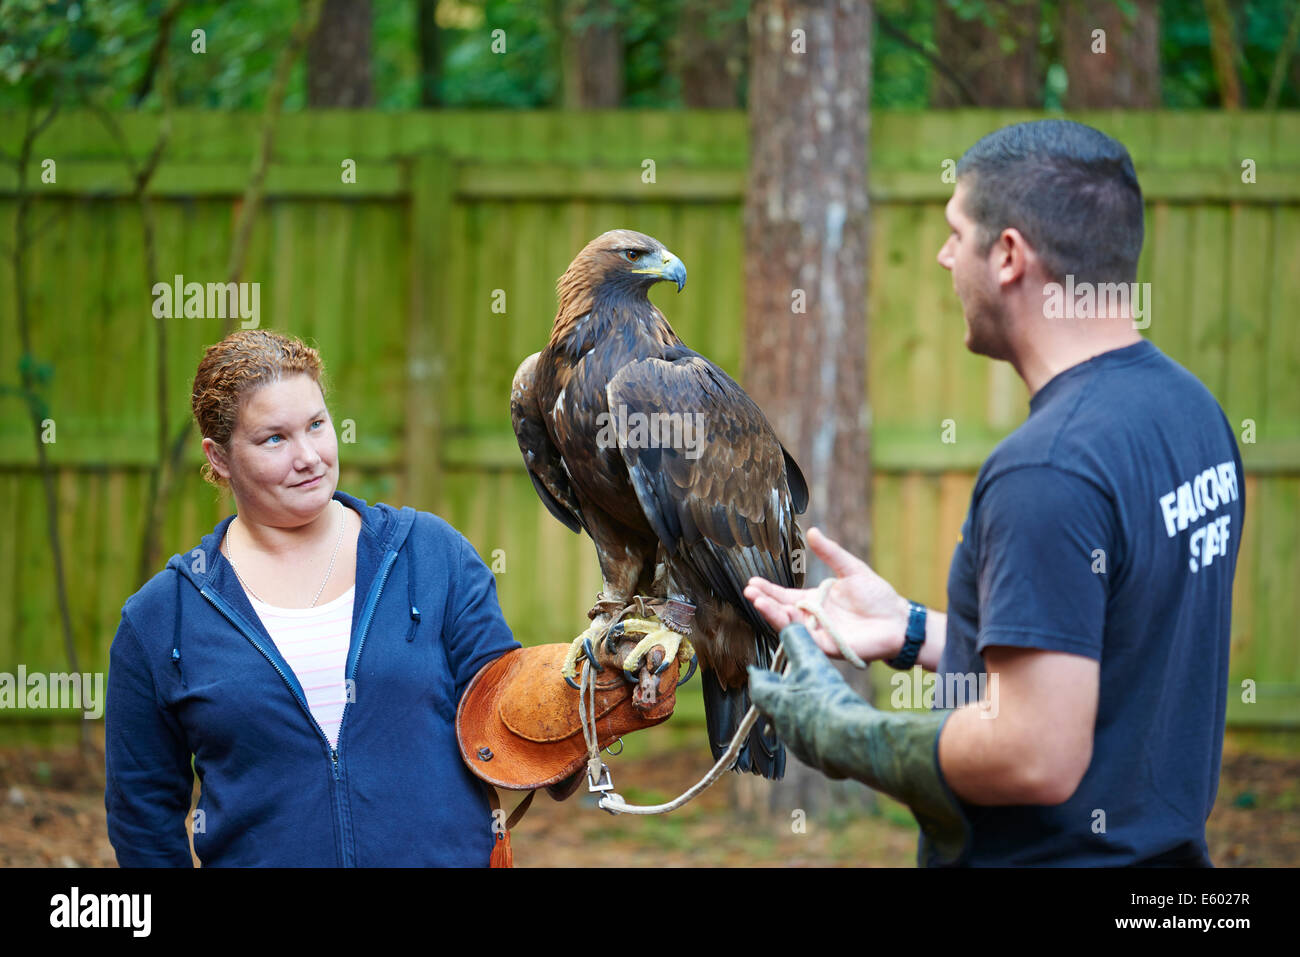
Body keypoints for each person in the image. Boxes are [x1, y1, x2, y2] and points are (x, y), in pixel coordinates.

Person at [744, 119, 1244, 867]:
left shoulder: (1048, 469)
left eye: (956, 232)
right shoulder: (1190, 411)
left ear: (1008, 254)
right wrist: (913, 631)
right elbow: (1105, 649)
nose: (945, 255)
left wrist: (840, 728)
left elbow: (1035, 752)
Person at [105, 330, 519, 866]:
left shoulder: (430, 556)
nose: (309, 457)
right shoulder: (162, 619)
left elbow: (508, 707)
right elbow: (142, 819)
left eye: (316, 426)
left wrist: (584, 687)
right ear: (220, 457)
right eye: (274, 439)